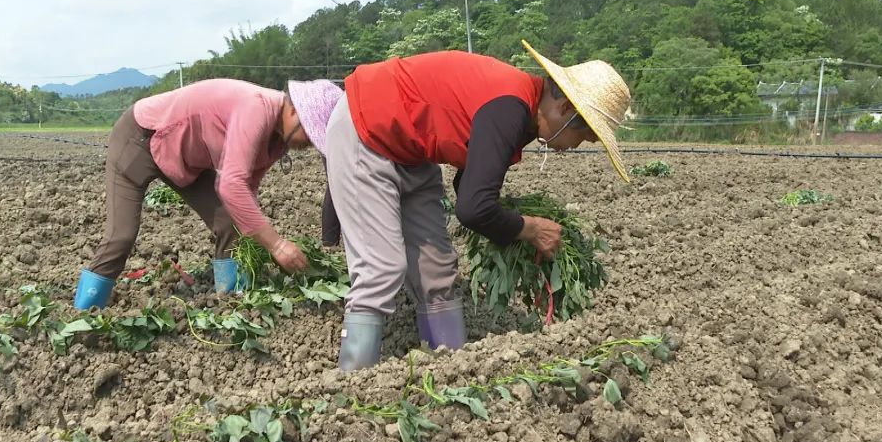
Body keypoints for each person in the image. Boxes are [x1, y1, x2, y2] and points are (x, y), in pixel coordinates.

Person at [325, 40, 632, 371]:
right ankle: (351, 383)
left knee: (437, 269)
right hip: (367, 128)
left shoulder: (524, 112)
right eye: (583, 138)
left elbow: (468, 186)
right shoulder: (510, 107)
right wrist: (528, 228)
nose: (574, 147)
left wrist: (507, 217)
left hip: (413, 148)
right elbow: (472, 208)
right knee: (381, 267)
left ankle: (451, 370)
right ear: (566, 111)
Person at [73, 78, 343, 310]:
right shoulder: (257, 108)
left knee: (229, 221)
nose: (307, 145)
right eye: (309, 137)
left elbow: (246, 188)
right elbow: (232, 185)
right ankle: (84, 315)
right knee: (122, 235)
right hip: (142, 138)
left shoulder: (279, 139)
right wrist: (277, 245)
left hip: (186, 159)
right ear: (294, 111)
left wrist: (259, 239)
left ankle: (231, 302)